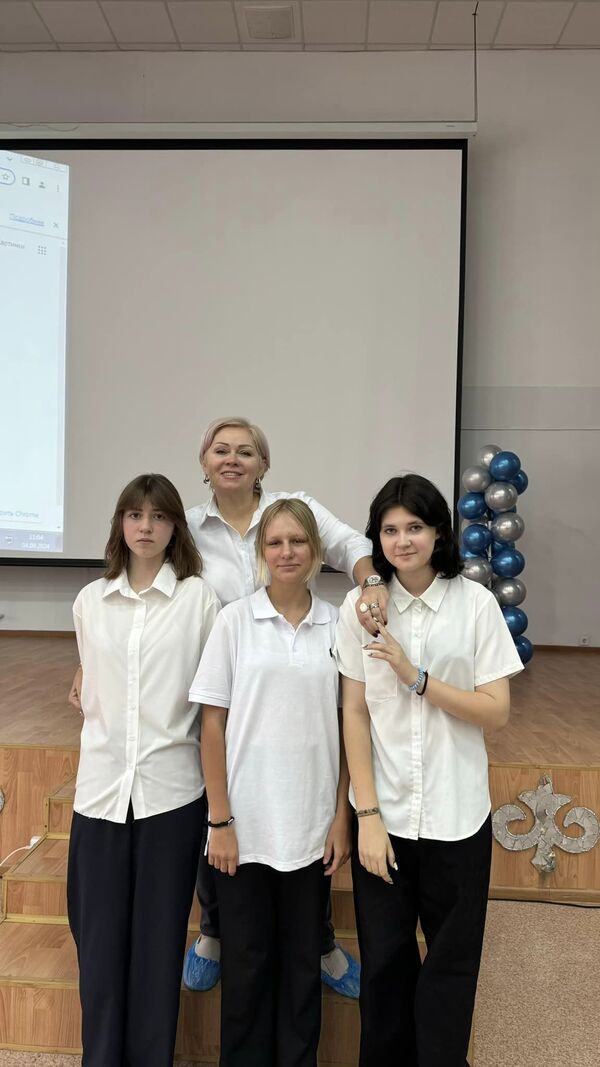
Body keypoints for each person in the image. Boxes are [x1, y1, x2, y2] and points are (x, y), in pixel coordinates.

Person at [70, 416, 385, 996]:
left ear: (264, 463)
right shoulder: (185, 525)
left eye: (245, 450)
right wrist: (92, 660)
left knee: (303, 807)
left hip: (286, 677)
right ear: (204, 462)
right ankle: (213, 928)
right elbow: (138, 599)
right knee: (207, 797)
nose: (232, 459)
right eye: (221, 450)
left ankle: (319, 940)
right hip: (213, 682)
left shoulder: (294, 510)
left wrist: (370, 584)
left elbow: (351, 546)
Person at [334, 474, 524, 1067]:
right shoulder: (360, 609)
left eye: (414, 527)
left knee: (451, 967)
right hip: (384, 818)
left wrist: (417, 678)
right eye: (389, 530)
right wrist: (366, 815)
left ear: (439, 531)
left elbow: (496, 711)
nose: (402, 541)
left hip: (456, 815)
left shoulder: (475, 605)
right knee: (384, 967)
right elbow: (355, 713)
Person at [190, 499, 350, 1067]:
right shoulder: (234, 621)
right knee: (248, 968)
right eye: (275, 542)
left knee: (302, 969)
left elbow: (349, 726)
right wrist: (220, 820)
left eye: (298, 542)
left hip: (310, 829)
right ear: (262, 552)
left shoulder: (339, 623)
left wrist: (341, 818)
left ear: (316, 552)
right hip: (245, 830)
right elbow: (212, 725)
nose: (287, 552)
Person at [67, 474, 220, 1067]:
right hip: (100, 795)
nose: (146, 527)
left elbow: (212, 699)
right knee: (99, 950)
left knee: (158, 951)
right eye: (135, 515)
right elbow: (92, 682)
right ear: (120, 524)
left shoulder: (199, 600)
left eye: (158, 516)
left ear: (175, 526)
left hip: (170, 794)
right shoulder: (90, 601)